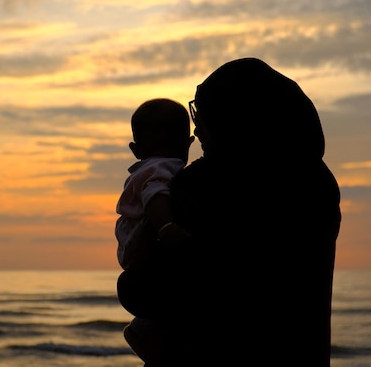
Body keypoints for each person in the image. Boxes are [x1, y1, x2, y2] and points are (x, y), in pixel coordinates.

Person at [116, 58, 341, 367]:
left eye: (202, 116)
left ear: (230, 118)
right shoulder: (317, 182)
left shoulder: (204, 185)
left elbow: (144, 292)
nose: (197, 130)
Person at [115, 98, 194, 365]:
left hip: (130, 246)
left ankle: (141, 329)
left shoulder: (146, 167)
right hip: (143, 239)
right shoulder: (167, 166)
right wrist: (167, 226)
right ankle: (146, 332)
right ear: (188, 143)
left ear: (135, 149)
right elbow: (155, 194)